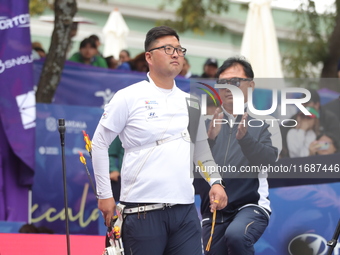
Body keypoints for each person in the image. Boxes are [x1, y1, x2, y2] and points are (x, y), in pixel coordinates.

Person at [91, 26, 228, 255]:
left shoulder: (192, 102)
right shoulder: (127, 97)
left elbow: (202, 151)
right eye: (167, 49)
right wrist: (105, 195)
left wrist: (216, 181)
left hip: (184, 211)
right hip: (141, 211)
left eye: (179, 49)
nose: (176, 54)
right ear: (149, 57)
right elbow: (99, 144)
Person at [197, 56, 282, 255]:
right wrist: (209, 140)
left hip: (250, 205)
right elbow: (192, 171)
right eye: (223, 82)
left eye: (235, 82)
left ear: (250, 86)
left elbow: (270, 159)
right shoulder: (204, 124)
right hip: (214, 211)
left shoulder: (266, 122)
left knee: (236, 235)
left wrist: (245, 139)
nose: (229, 87)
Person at [280, 89, 340, 158]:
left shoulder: (329, 119)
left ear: (316, 105)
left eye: (306, 103)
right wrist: (301, 130)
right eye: (301, 103)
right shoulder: (295, 119)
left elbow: (336, 141)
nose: (303, 105)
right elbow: (283, 133)